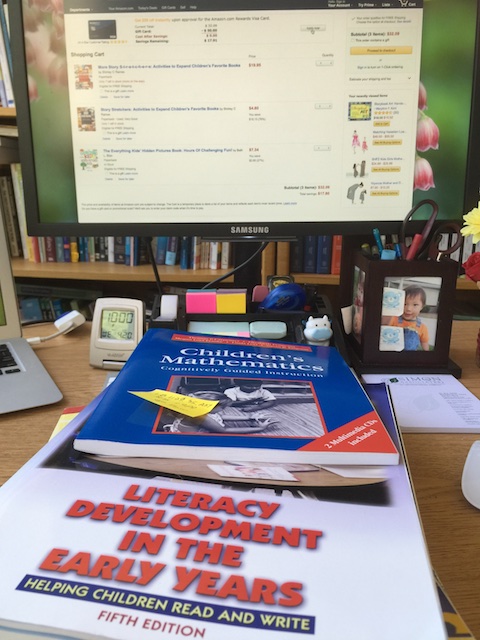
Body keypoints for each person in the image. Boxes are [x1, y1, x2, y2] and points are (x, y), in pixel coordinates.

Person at [389, 285, 429, 351]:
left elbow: (424, 343)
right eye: (404, 304)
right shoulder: (393, 319)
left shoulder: (422, 327)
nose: (408, 309)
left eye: (415, 305)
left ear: (422, 306)